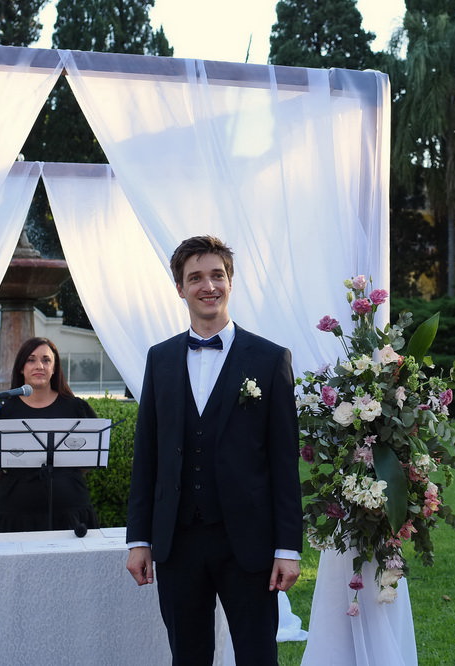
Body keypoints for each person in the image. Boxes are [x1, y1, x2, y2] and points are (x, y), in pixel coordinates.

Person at [125, 235, 302, 666]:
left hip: (249, 542)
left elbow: (283, 462)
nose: (209, 286)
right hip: (178, 541)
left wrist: (288, 548)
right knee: (188, 656)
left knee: (258, 657)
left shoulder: (269, 358)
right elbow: (148, 454)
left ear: (230, 281)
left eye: (217, 275)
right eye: (196, 278)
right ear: (180, 288)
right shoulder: (160, 358)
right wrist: (139, 539)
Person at [0, 336, 100, 533]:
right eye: (31, 360)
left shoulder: (76, 408)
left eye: (46, 360)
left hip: (70, 512)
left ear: (55, 367)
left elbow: (88, 459)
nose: (39, 365)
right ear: (21, 367)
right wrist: (18, 482)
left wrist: (62, 479)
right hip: (15, 514)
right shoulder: (1, 410)